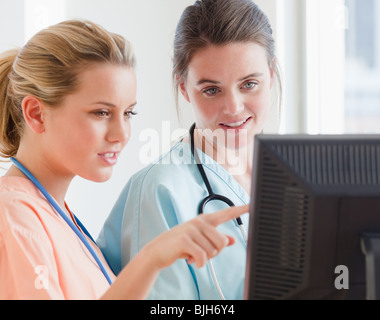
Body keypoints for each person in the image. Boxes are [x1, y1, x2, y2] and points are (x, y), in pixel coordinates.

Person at [0, 19, 249, 300]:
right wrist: (150, 259)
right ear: (36, 113)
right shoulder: (14, 218)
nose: (122, 134)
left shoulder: (54, 213)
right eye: (101, 113)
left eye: (128, 113)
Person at [98, 0, 282, 300]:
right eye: (212, 89)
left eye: (249, 84)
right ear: (184, 88)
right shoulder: (161, 190)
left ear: (270, 76)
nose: (234, 108)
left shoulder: (294, 176)